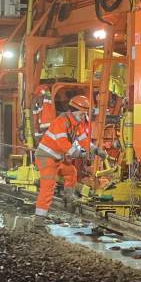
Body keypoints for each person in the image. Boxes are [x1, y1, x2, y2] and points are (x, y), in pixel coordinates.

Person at [33, 95, 107, 228]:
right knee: (48, 188)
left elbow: (84, 140)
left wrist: (96, 150)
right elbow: (63, 144)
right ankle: (38, 223)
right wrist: (78, 153)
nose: (84, 116)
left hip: (56, 158)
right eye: (82, 113)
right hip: (46, 158)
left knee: (71, 172)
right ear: (74, 111)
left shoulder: (76, 124)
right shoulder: (61, 121)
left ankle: (68, 198)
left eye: (85, 114)